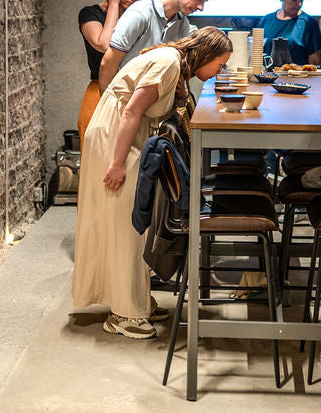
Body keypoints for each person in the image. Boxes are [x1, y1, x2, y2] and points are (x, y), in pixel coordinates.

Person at [72, 27, 233, 339]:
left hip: (127, 134)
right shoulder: (168, 62)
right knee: (124, 226)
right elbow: (132, 111)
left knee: (132, 225)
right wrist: (117, 163)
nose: (220, 71)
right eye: (221, 64)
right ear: (207, 54)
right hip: (115, 136)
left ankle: (136, 300)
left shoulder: (175, 65)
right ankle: (123, 314)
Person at [98, 0, 221, 93]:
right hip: (126, 99)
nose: (201, 7)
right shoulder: (140, 14)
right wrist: (107, 104)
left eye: (204, 1)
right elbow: (108, 65)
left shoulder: (182, 23)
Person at [77, 0, 148, 152]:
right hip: (98, 90)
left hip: (129, 92)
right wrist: (114, 4)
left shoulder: (136, 17)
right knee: (94, 155)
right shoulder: (90, 13)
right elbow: (104, 44)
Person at [257, 0, 321, 66]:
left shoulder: (309, 23)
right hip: (268, 75)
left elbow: (315, 65)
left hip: (297, 75)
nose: (299, 4)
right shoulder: (266, 21)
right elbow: (257, 58)